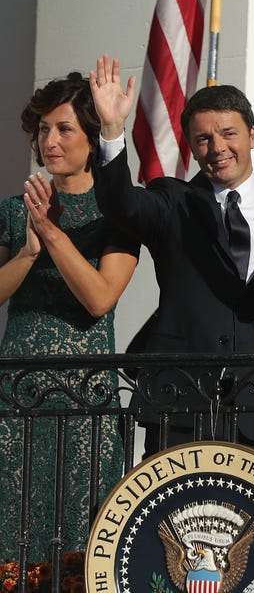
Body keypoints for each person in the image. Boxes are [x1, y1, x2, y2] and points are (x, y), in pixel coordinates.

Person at [88, 55, 254, 468]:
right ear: (191, 145)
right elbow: (122, 207)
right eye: (203, 139)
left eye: (229, 133)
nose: (217, 148)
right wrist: (113, 130)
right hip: (181, 405)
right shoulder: (173, 202)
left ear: (253, 135)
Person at [0, 73, 139, 560]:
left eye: (64, 129)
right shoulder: (14, 212)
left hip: (85, 402)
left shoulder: (117, 214)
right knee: (12, 530)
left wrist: (51, 236)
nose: (49, 141)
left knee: (81, 541)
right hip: (16, 399)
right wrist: (25, 252)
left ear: (92, 137)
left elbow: (100, 298)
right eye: (42, 129)